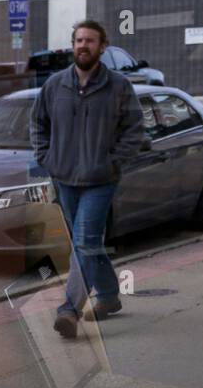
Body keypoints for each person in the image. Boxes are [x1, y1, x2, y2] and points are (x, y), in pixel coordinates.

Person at [30, 19, 144, 339]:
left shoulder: (118, 86)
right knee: (89, 244)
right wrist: (46, 159)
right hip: (64, 179)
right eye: (79, 40)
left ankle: (69, 309)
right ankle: (108, 295)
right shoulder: (54, 85)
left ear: (102, 47)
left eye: (90, 41)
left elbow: (134, 131)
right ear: (73, 45)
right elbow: (38, 125)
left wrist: (113, 163)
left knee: (83, 241)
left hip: (100, 179)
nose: (83, 45)